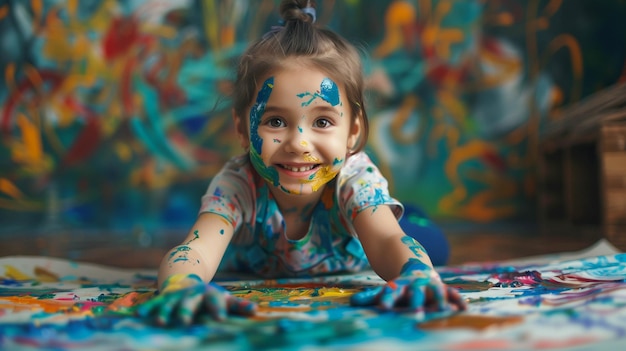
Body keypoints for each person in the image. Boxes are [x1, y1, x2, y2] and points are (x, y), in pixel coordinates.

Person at [137, 0, 465, 325]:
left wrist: (418, 275)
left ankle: (405, 213)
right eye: (276, 122)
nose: (299, 144)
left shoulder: (353, 178)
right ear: (242, 129)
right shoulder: (238, 184)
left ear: (352, 131)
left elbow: (386, 242)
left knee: (431, 249)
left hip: (367, 225)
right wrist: (181, 284)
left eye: (322, 122)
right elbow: (195, 250)